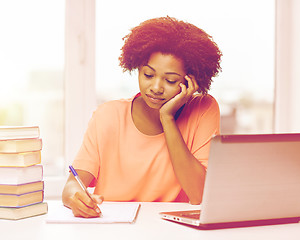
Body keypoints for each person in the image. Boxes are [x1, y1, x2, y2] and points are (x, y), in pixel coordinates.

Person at [62, 16, 222, 218]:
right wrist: (76, 198)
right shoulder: (108, 115)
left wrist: (167, 118)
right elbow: (71, 186)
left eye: (171, 80)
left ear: (191, 81)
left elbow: (198, 194)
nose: (156, 87)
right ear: (137, 68)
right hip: (113, 228)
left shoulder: (203, 110)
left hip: (172, 230)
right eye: (148, 75)